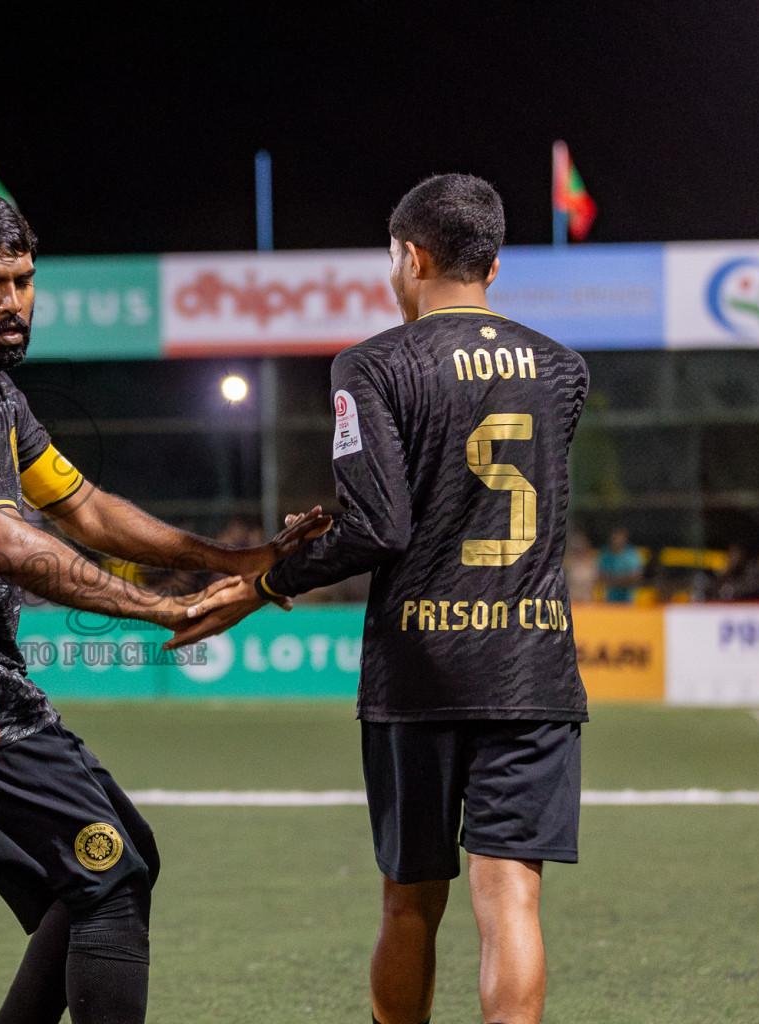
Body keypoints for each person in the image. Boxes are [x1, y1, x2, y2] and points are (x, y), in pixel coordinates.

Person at [0, 184, 329, 1024]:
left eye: (22, 278)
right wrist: (159, 611)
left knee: (114, 868)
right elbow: (11, 548)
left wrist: (230, 558)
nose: (12, 302)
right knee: (107, 877)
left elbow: (82, 509)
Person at [175, 174, 589, 1024]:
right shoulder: (562, 368)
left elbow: (380, 531)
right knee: (509, 900)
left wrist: (263, 583)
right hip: (531, 666)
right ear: (495, 266)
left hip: (420, 673)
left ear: (413, 255)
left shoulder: (373, 364)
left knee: (409, 905)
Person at [596, 526, 643, 602]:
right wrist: (623, 579)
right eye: (615, 536)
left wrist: (613, 580)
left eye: (619, 536)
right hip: (609, 599)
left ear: (625, 537)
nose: (617, 539)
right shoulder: (605, 554)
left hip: (628, 599)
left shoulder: (632, 554)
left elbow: (636, 577)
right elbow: (601, 576)